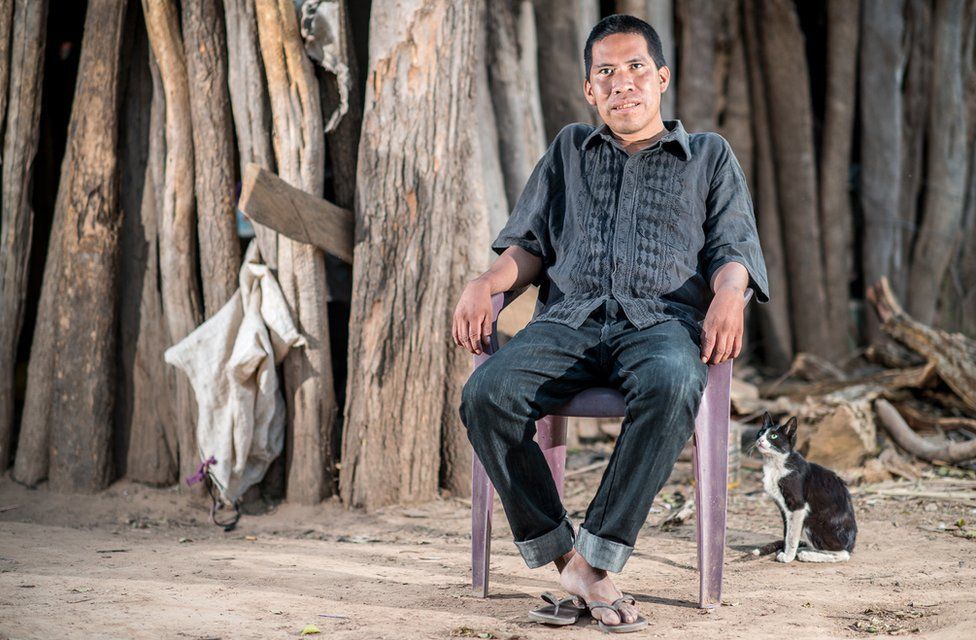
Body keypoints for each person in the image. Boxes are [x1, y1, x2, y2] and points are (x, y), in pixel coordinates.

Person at [453, 13, 769, 632]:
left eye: (635, 69)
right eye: (607, 73)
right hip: (567, 322)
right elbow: (529, 246)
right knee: (486, 395)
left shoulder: (707, 155)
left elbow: (732, 251)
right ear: (591, 90)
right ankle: (568, 558)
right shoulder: (569, 149)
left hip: (660, 324)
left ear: (662, 78)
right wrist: (485, 283)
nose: (622, 83)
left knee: (675, 382)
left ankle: (596, 556)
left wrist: (731, 293)